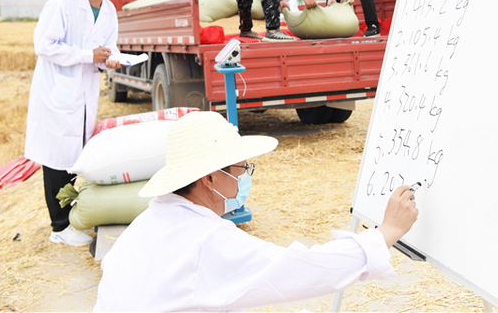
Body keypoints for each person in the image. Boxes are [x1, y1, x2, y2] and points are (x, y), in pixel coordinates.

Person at [93, 111, 419, 312]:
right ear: (208, 178)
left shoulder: (149, 221)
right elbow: (301, 269)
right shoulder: (206, 240)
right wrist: (385, 233)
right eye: (239, 168)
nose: (242, 177)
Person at [24, 0, 132, 247]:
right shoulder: (62, 4)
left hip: (83, 92)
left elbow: (107, 48)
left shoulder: (108, 10)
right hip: (58, 90)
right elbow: (44, 46)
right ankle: (59, 228)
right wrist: (88, 56)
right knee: (57, 158)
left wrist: (110, 61)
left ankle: (72, 218)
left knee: (74, 157)